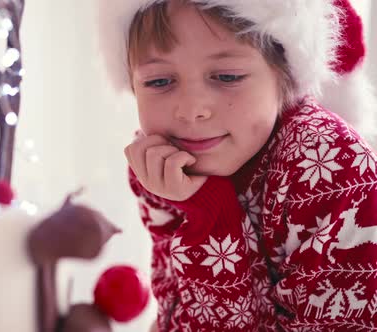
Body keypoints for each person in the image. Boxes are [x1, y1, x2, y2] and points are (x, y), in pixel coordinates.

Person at [97, 0, 377, 330]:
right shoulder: (159, 162)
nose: (191, 110)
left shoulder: (327, 162)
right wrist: (207, 217)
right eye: (159, 82)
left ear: (284, 76)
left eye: (227, 76)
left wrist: (212, 221)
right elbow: (176, 318)